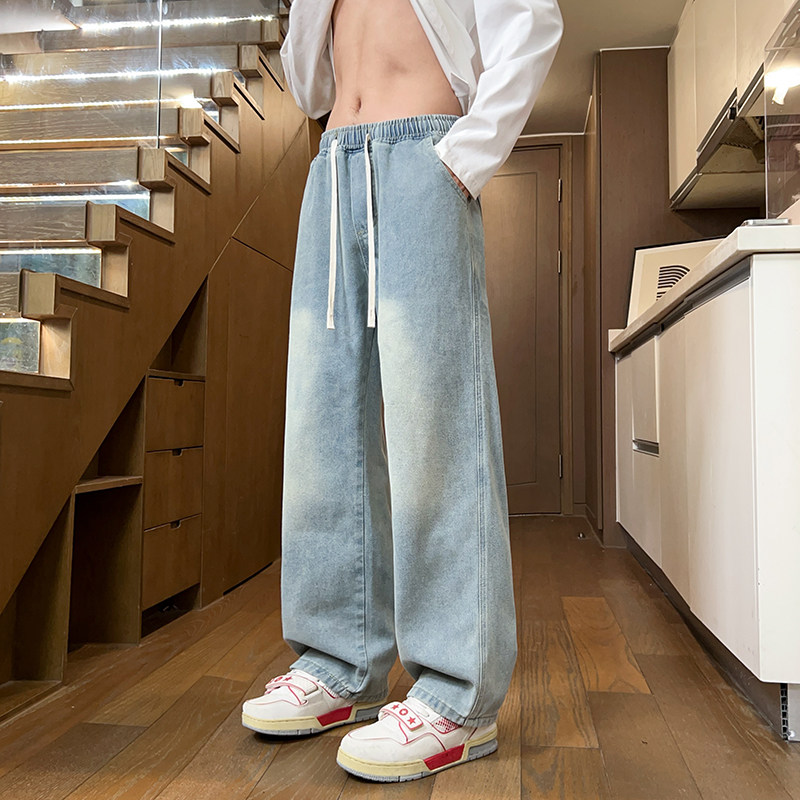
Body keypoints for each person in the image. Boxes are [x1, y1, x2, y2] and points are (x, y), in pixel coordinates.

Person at [241, 0, 563, 783]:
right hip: (332, 167)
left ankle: (458, 695)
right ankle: (339, 665)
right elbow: (309, 84)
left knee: (434, 426)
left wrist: (465, 156)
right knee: (322, 428)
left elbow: (533, 21)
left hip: (426, 156)